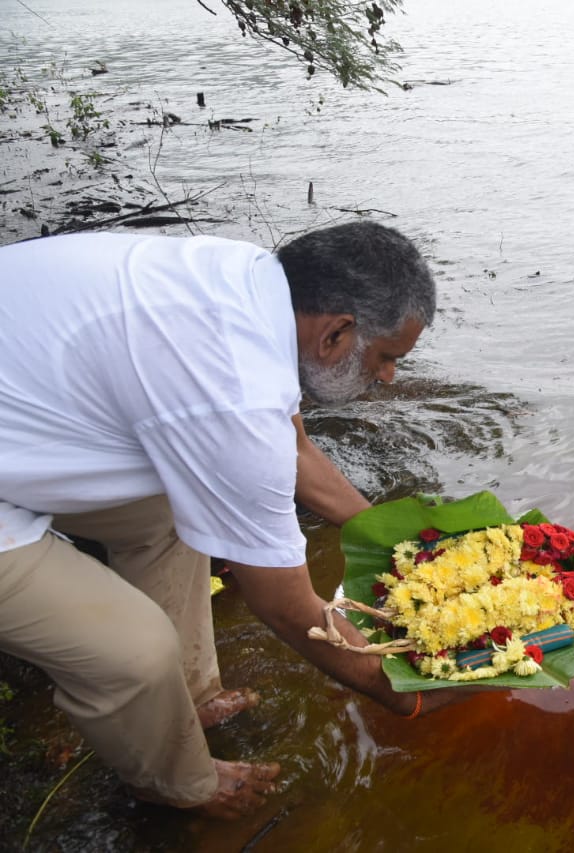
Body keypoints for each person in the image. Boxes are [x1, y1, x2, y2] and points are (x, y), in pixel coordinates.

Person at [0, 222, 462, 820]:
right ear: (337, 334)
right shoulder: (232, 390)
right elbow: (291, 608)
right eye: (387, 357)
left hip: (27, 414)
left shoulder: (251, 287)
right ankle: (172, 781)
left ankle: (184, 699)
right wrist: (403, 692)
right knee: (131, 651)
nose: (390, 377)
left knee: (182, 509)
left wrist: (401, 539)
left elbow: (294, 450)